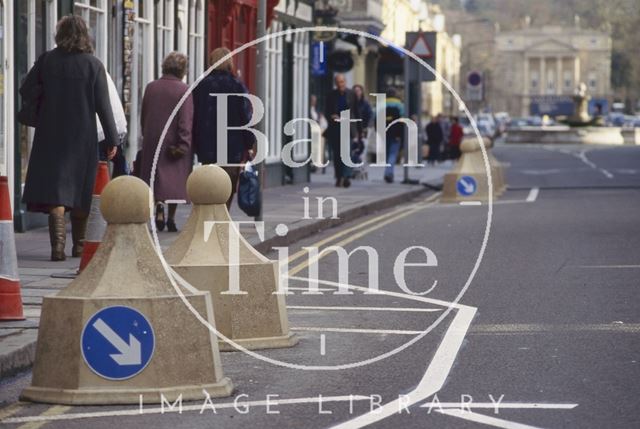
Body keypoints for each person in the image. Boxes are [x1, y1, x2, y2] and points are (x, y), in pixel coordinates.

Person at [20, 15, 118, 261]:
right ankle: (79, 246)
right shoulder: (93, 65)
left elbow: (25, 88)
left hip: (50, 132)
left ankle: (57, 247)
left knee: (57, 188)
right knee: (81, 188)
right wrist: (112, 140)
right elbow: (103, 107)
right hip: (81, 136)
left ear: (59, 34)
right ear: (85, 35)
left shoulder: (47, 61)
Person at [139, 52, 193, 232]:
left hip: (153, 138)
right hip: (173, 141)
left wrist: (146, 134)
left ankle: (158, 206)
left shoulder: (151, 87)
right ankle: (170, 217)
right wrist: (184, 144)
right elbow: (185, 120)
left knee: (156, 177)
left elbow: (144, 114)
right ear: (183, 70)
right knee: (174, 180)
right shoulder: (183, 90)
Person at [193, 47, 254, 207]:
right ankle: (223, 218)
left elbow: (194, 116)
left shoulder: (201, 86)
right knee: (228, 186)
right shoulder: (237, 86)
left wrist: (195, 143)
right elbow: (246, 117)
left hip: (207, 146)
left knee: (210, 185)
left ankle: (209, 217)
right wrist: (249, 144)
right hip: (232, 147)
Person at [324, 74, 357, 188]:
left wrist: (359, 130)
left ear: (345, 82)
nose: (340, 84)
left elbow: (356, 111)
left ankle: (347, 177)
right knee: (337, 155)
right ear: (335, 83)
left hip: (348, 127)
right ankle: (339, 177)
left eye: (342, 82)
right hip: (335, 128)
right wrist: (332, 116)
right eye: (338, 82)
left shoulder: (351, 94)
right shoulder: (331, 95)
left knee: (347, 153)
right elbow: (327, 111)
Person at [97, 72, 128, 176]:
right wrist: (114, 139)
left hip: (98, 133)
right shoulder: (99, 70)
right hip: (103, 132)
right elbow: (107, 107)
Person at [383, 88, 404, 183]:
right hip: (396, 134)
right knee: (392, 154)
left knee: (387, 154)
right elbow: (402, 121)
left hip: (384, 133)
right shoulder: (400, 105)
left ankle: (387, 172)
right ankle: (389, 173)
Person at [352, 84, 372, 166]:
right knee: (352, 147)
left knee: (361, 147)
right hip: (352, 129)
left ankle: (357, 163)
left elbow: (370, 115)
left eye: (358, 91)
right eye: (355, 91)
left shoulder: (365, 104)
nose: (356, 93)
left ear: (361, 92)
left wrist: (366, 127)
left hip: (362, 129)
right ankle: (354, 164)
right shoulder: (350, 102)